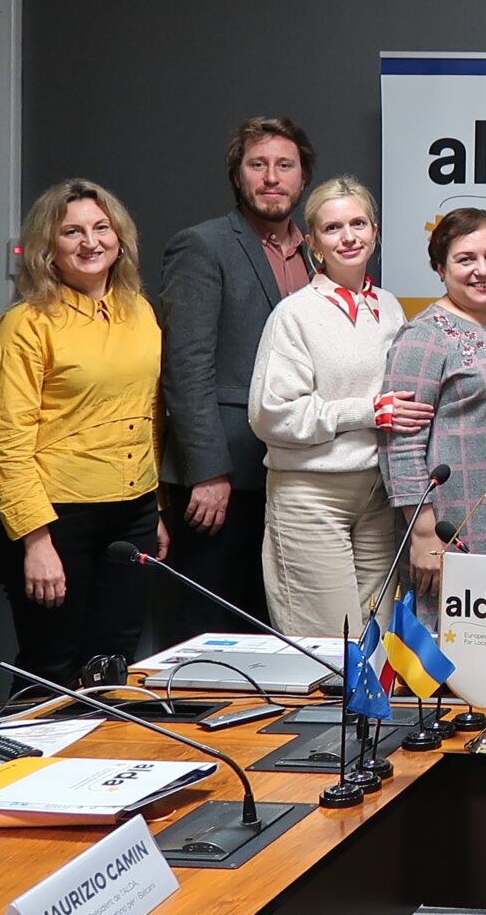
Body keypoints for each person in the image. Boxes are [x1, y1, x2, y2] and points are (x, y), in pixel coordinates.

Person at [0, 180, 169, 684]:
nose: (90, 242)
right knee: (53, 667)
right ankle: (31, 763)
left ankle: (104, 763)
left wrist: (151, 512)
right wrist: (35, 541)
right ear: (48, 246)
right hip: (56, 519)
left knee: (113, 666)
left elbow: (150, 416)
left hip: (130, 512)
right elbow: (6, 444)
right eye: (72, 232)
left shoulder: (140, 312)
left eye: (100, 228)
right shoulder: (25, 324)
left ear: (119, 237)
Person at [246, 178, 432, 640]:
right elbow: (271, 415)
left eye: (358, 224)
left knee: (378, 640)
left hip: (376, 496)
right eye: (333, 228)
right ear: (313, 243)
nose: (348, 237)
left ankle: (374, 719)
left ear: (375, 231)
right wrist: (365, 412)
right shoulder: (295, 314)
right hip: (312, 495)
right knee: (330, 642)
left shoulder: (388, 308)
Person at [161, 116, 313, 635]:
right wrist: (207, 471)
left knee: (281, 625)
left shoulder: (319, 253)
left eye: (284, 165)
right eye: (258, 165)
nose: (272, 177)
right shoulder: (202, 247)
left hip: (295, 474)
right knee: (214, 629)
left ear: (302, 177)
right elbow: (186, 368)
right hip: (226, 479)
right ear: (238, 176)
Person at [383, 209, 486, 595]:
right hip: (454, 520)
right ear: (440, 268)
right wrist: (422, 532)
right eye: (465, 259)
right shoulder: (423, 336)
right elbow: (400, 442)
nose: (483, 269)